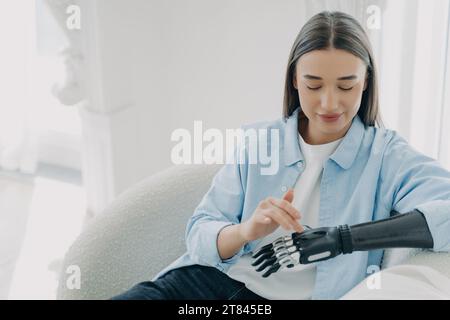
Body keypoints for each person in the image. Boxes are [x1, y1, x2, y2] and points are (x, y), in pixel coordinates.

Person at [111, 10, 450, 300]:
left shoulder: (387, 156)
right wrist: (246, 231)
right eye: (314, 85)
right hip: (210, 285)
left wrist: (343, 238)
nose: (329, 103)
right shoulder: (259, 140)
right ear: (294, 81)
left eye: (346, 85)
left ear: (365, 82)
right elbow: (200, 232)